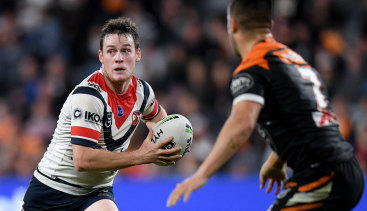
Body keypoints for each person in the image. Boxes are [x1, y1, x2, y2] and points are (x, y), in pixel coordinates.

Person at [167, 0, 365, 210]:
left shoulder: (253, 67)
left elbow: (242, 124)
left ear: (232, 25)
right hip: (346, 169)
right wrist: (276, 161)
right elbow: (304, 118)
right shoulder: (294, 60)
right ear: (269, 25)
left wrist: (202, 174)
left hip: (322, 174)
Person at [22, 17, 182, 211]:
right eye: (111, 51)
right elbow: (83, 160)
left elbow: (158, 119)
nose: (119, 58)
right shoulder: (89, 95)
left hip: (96, 191)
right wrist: (142, 155)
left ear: (138, 54)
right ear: (101, 56)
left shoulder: (142, 92)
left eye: (126, 50)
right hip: (52, 190)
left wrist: (173, 140)